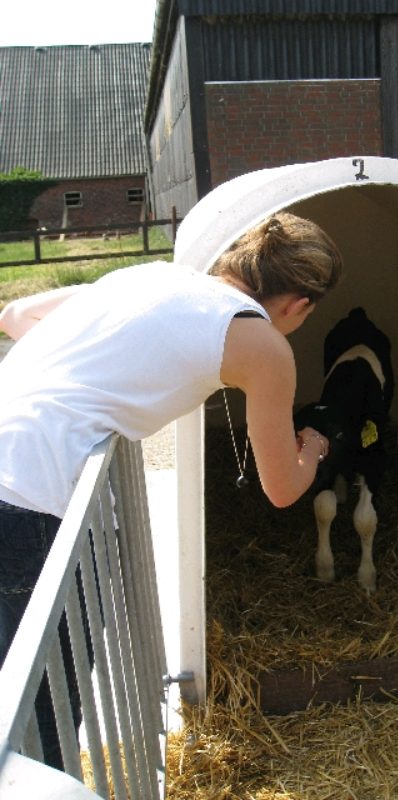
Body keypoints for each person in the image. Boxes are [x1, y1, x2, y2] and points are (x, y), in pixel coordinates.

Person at [0, 210, 343, 767]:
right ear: (300, 305)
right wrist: (317, 446)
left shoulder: (152, 275)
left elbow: (16, 315)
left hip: (12, 464)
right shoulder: (261, 342)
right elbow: (282, 488)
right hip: (32, 497)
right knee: (39, 719)